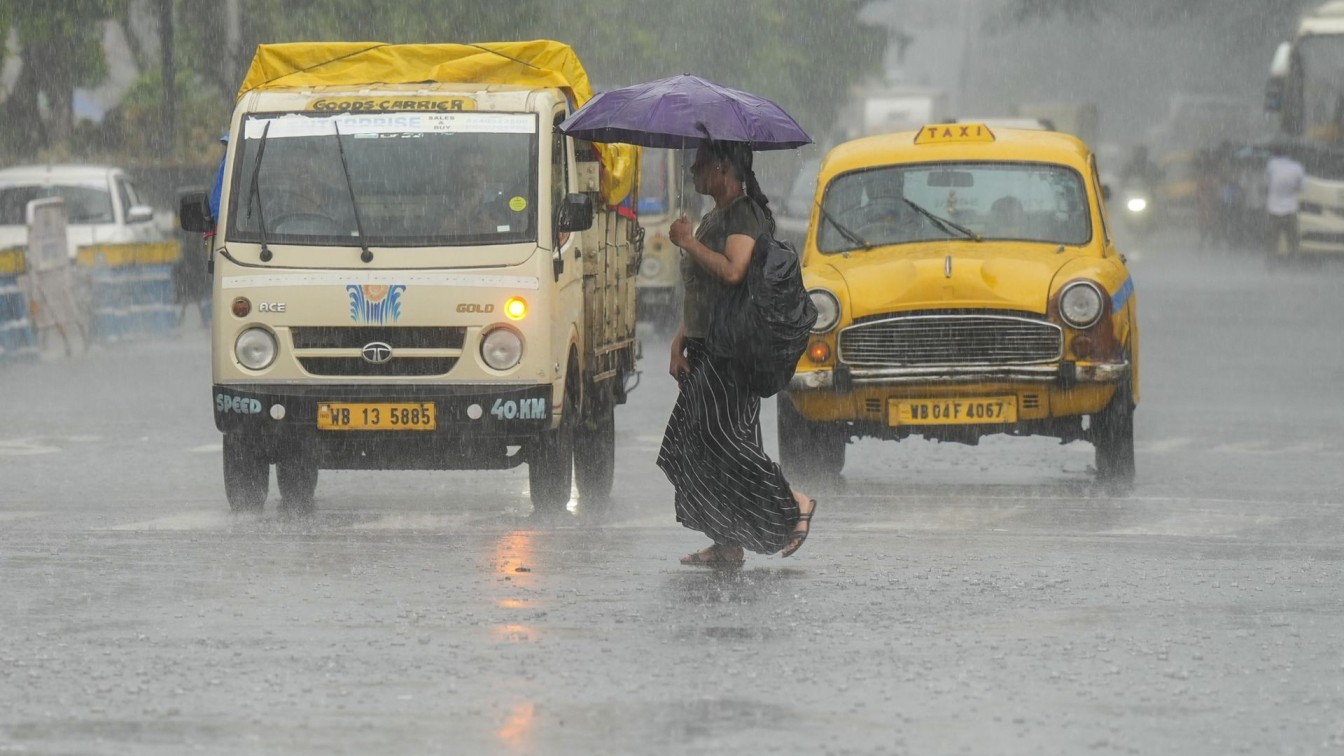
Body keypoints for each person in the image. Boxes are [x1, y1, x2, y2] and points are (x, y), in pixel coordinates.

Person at [657, 139, 816, 567]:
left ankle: (794, 502)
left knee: (722, 440)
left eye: (699, 165)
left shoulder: (744, 213)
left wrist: (688, 243)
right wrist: (678, 341)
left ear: (723, 168)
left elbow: (733, 271)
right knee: (695, 444)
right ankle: (727, 541)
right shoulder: (715, 216)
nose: (692, 172)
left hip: (729, 351)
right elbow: (702, 293)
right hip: (704, 345)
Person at [437, 151, 508, 236]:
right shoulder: (437, 210)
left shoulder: (500, 207)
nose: (474, 174)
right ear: (454, 175)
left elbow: (510, 229)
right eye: (466, 169)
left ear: (487, 176)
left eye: (480, 169)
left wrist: (496, 229)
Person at [1264, 147, 1305, 260]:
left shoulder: (1271, 165)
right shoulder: (1297, 167)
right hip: (1291, 209)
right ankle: (1292, 260)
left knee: (1271, 240)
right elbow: (1301, 187)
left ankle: (1271, 261)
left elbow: (1266, 183)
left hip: (1273, 209)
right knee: (1293, 240)